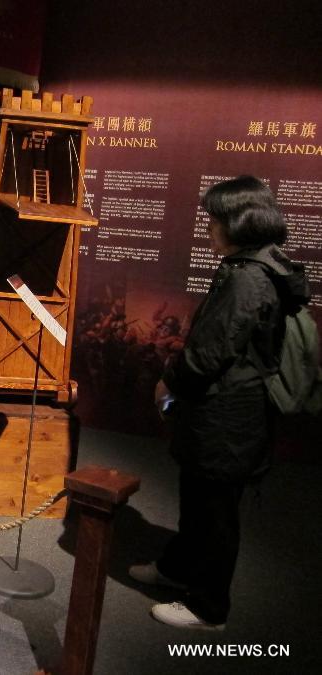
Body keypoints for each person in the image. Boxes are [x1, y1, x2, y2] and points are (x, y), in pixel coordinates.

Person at [129, 175, 311, 630]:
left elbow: (210, 352)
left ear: (239, 222)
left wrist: (168, 382)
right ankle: (178, 570)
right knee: (198, 498)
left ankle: (210, 608)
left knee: (215, 512)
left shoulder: (248, 279)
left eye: (215, 219)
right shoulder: (255, 268)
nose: (209, 228)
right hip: (225, 411)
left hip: (231, 416)